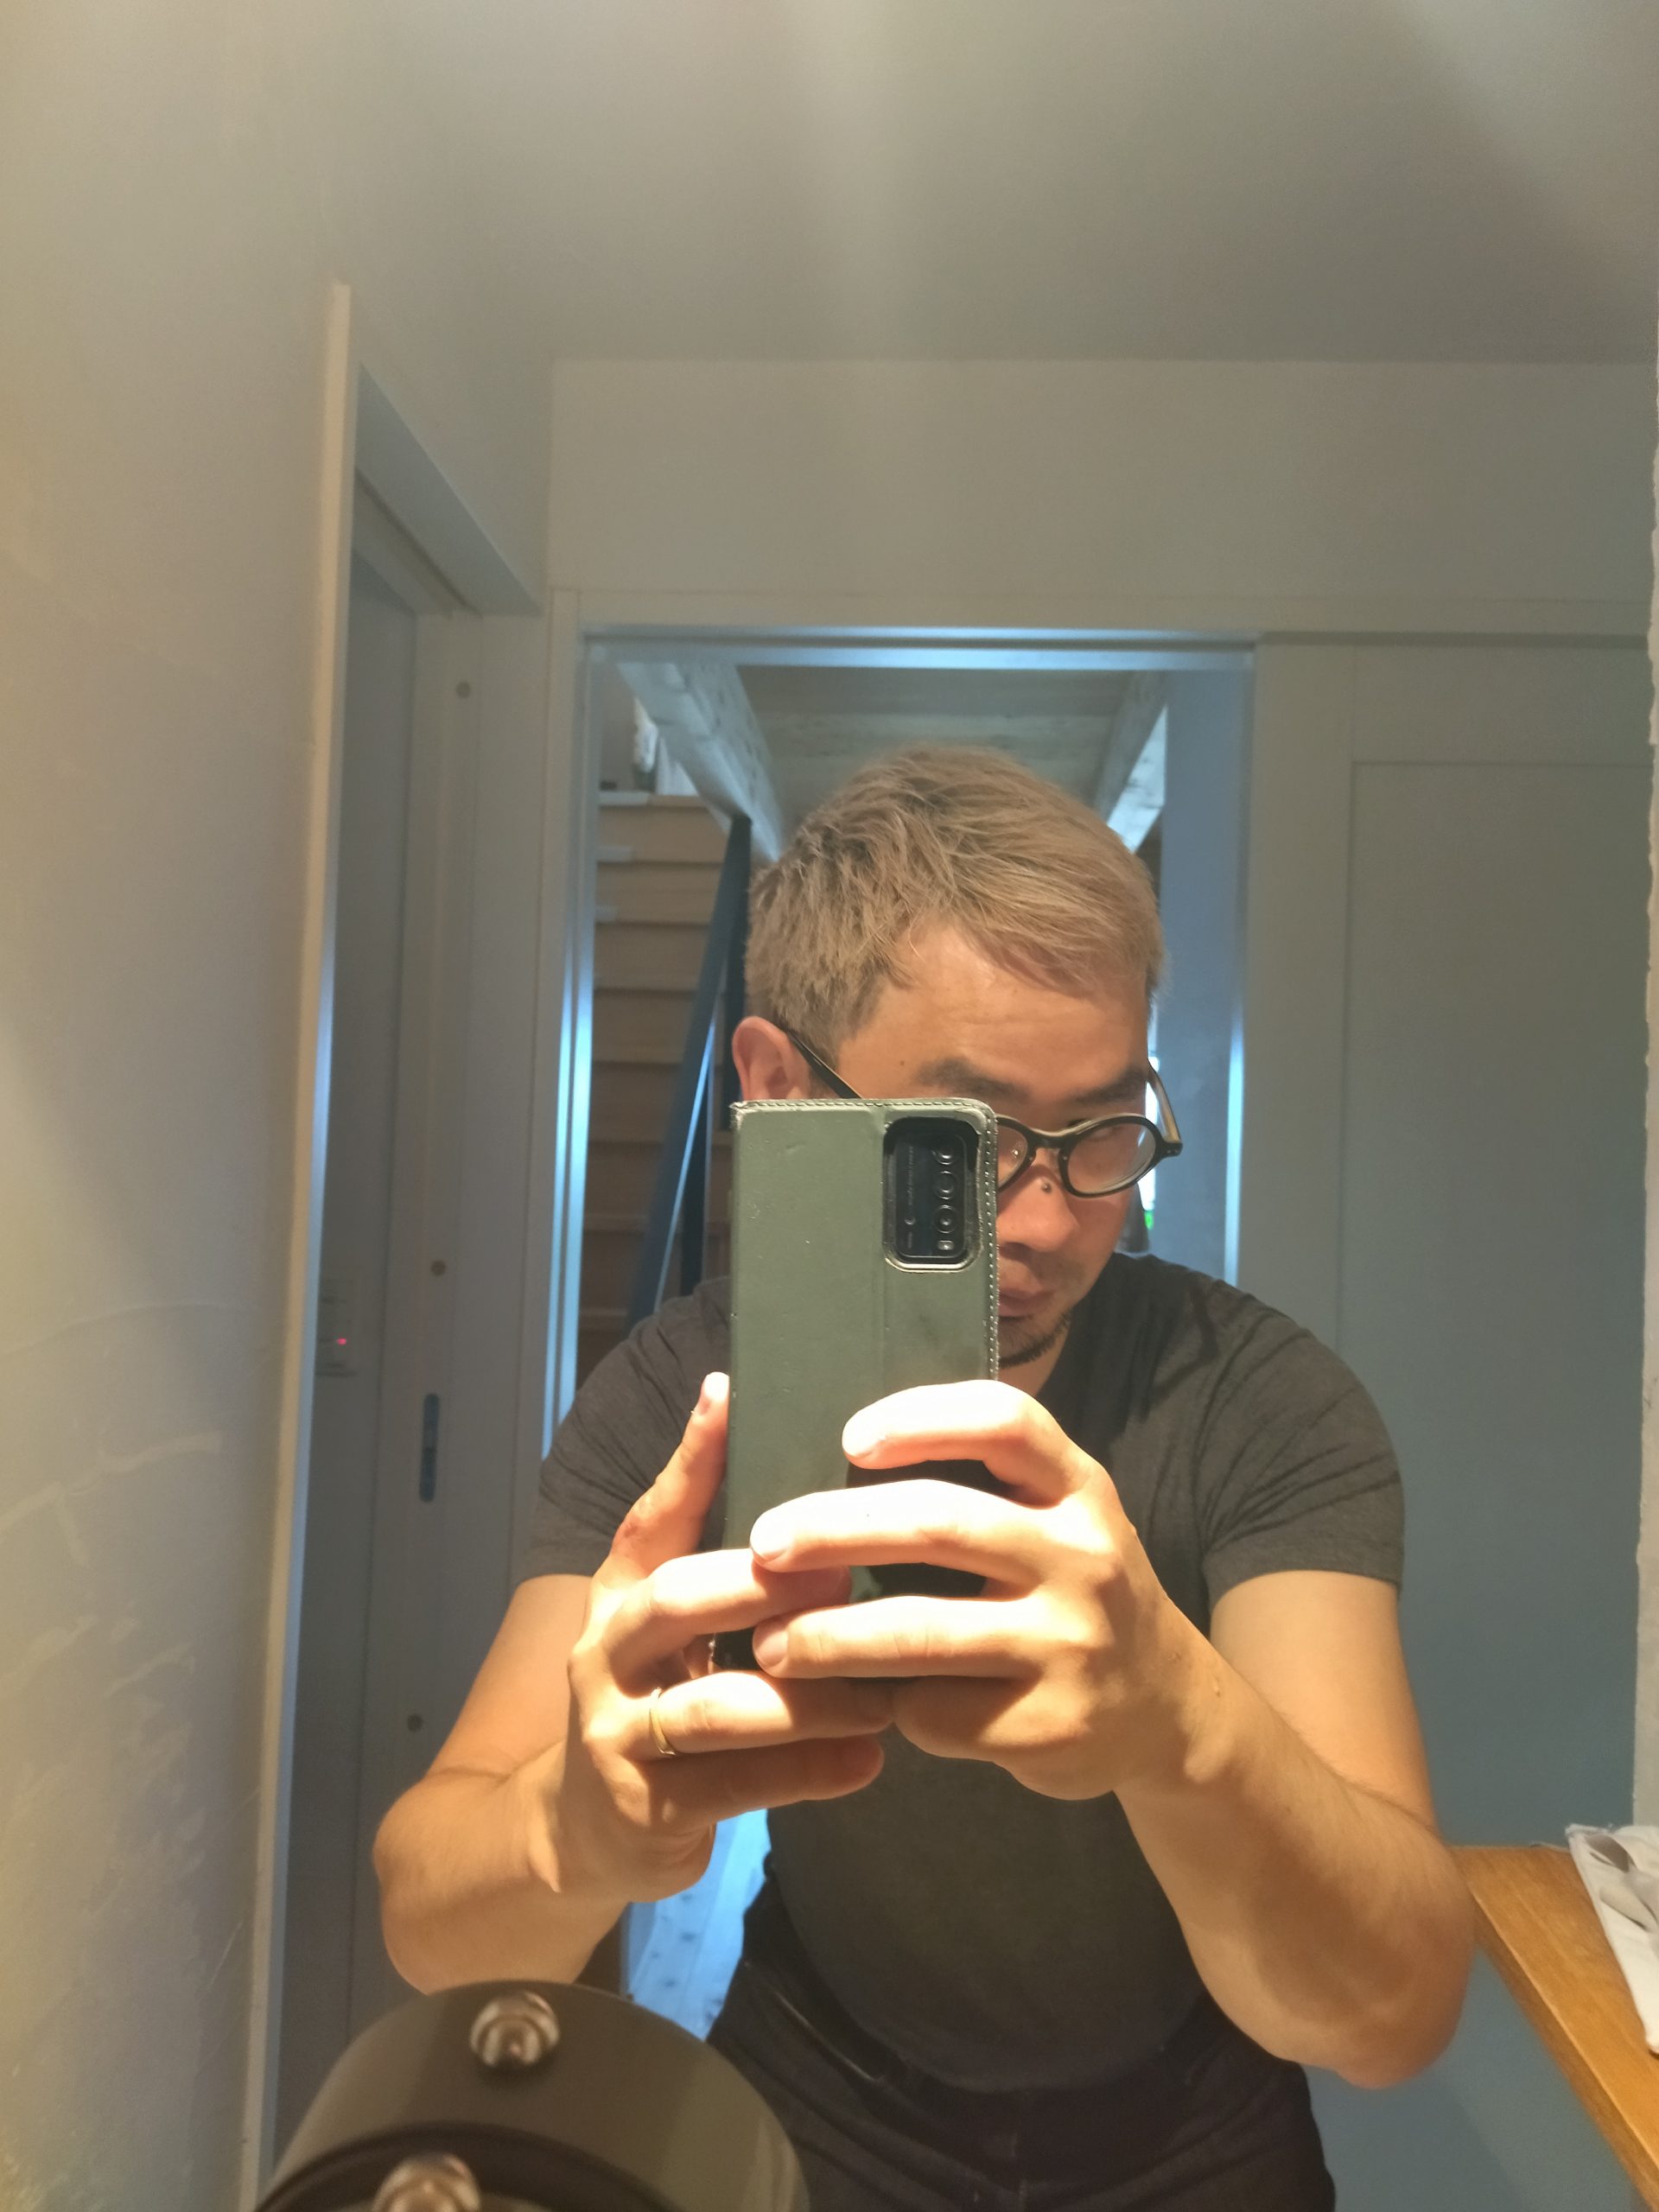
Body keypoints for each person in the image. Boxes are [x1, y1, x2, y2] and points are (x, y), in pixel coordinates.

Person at [375, 747, 1473, 2210]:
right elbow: (432, 1923)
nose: (1049, 1222)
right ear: (777, 1088)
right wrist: (571, 1827)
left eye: (1103, 1134)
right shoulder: (686, 1392)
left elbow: (1393, 2015)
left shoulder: (1250, 1396)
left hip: (1199, 2129)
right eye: (971, 1148)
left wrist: (1179, 1723)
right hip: (821, 2087)